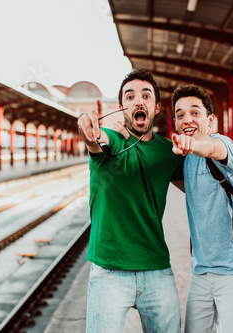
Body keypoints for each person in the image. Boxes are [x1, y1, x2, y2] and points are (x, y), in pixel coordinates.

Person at [77, 69, 184, 332]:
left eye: (146, 96)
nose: (138, 101)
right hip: (109, 272)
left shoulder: (168, 152)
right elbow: (95, 140)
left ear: (156, 107)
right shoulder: (112, 140)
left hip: (157, 270)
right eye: (130, 96)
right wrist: (86, 126)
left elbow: (199, 188)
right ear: (122, 106)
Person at [171, 85, 233, 333]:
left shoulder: (223, 144)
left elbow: (212, 148)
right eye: (180, 115)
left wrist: (193, 144)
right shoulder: (187, 161)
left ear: (210, 120)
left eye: (194, 112)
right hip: (201, 271)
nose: (186, 119)